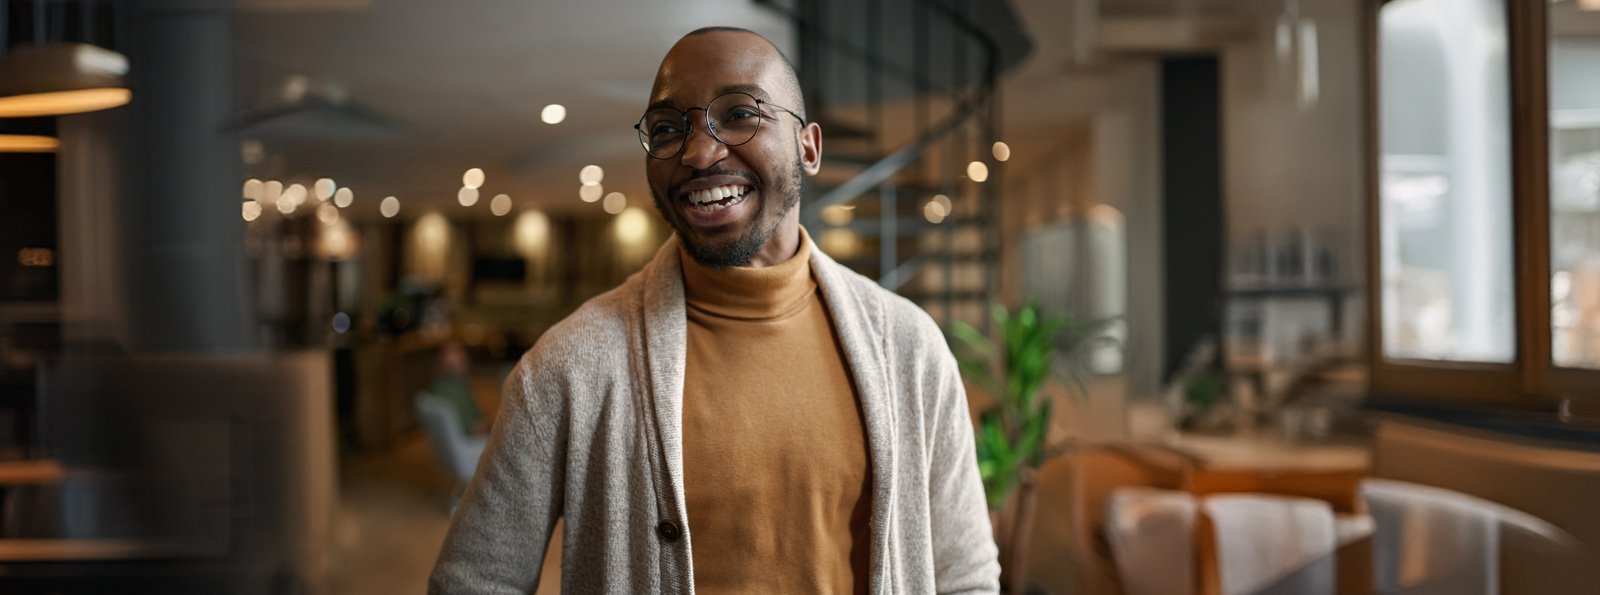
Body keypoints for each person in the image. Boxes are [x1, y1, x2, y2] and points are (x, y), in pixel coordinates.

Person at [429, 26, 998, 593]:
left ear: (809, 147)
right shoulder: (569, 366)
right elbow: (475, 581)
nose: (699, 153)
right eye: (668, 128)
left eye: (739, 113)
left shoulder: (909, 348)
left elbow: (965, 576)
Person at [426, 342, 489, 436]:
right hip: (472, 441)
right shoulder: (450, 390)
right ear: (439, 360)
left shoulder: (441, 384)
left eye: (460, 351)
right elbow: (473, 429)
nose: (461, 356)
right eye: (452, 353)